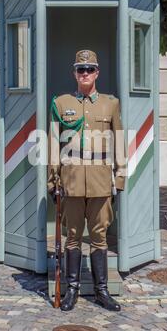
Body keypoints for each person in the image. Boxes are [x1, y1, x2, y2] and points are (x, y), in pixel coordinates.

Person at [47, 50, 126, 312]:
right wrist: (52, 179)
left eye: (89, 69)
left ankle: (101, 291)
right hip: (70, 182)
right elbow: (52, 144)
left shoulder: (110, 104)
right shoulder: (61, 104)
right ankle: (72, 290)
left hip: (101, 182)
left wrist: (120, 177)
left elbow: (119, 143)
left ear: (97, 73)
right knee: (72, 238)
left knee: (99, 237)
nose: (85, 74)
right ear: (74, 73)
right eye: (80, 69)